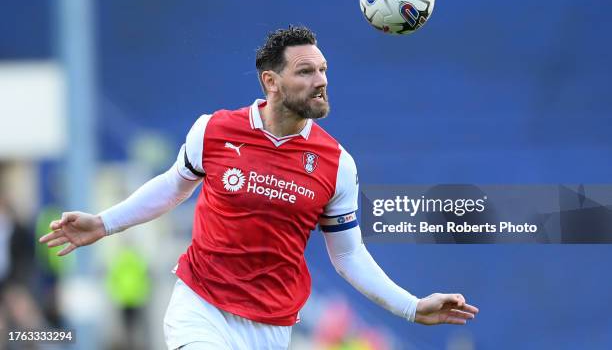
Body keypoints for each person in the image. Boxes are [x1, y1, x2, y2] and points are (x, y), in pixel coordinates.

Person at [40, 26, 479, 350]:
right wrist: (104, 222)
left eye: (323, 70)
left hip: (271, 326)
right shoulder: (213, 131)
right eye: (306, 72)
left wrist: (410, 306)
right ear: (271, 82)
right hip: (201, 306)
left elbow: (347, 254)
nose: (321, 80)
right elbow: (173, 187)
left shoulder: (336, 164)